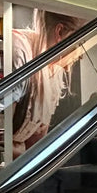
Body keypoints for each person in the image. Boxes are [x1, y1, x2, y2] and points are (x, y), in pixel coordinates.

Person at [10, 10, 83, 158]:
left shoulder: (54, 71)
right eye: (79, 44)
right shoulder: (19, 51)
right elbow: (2, 129)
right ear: (60, 32)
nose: (80, 54)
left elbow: (37, 136)